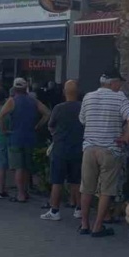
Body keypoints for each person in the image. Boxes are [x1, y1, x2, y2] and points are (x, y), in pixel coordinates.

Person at [78, 70, 129, 237]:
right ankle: (98, 226)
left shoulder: (88, 97)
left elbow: (82, 119)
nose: (121, 86)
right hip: (110, 150)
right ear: (113, 83)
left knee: (87, 188)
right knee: (106, 189)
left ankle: (84, 224)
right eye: (120, 83)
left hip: (89, 148)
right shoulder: (119, 97)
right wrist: (126, 137)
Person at [0, 78, 51, 203]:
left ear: (14, 89)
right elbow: (47, 113)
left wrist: (4, 130)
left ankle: (20, 194)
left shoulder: (12, 101)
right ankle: (26, 191)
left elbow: (0, 116)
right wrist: (38, 126)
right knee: (27, 166)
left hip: (15, 136)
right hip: (30, 136)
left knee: (18, 167)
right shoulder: (33, 100)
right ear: (26, 88)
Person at [41, 80, 84, 221]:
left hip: (60, 148)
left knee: (57, 181)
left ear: (64, 92)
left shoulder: (59, 108)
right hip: (78, 148)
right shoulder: (83, 107)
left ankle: (54, 210)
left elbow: (51, 126)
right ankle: (79, 209)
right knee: (76, 181)